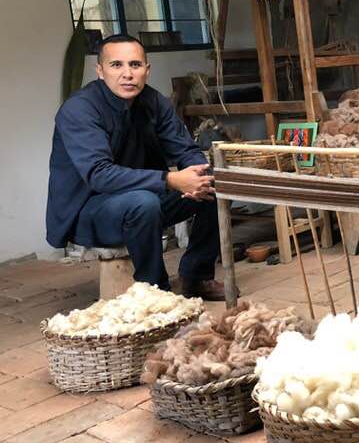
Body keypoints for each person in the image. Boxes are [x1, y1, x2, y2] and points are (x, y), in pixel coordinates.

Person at [46, 34, 225, 299]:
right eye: (116, 65)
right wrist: (172, 180)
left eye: (135, 65)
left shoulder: (154, 102)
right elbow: (99, 175)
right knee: (142, 203)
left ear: (146, 70)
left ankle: (196, 276)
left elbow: (185, 150)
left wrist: (197, 175)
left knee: (214, 184)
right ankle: (156, 292)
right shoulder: (79, 110)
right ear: (100, 70)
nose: (127, 74)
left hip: (144, 198)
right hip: (89, 210)